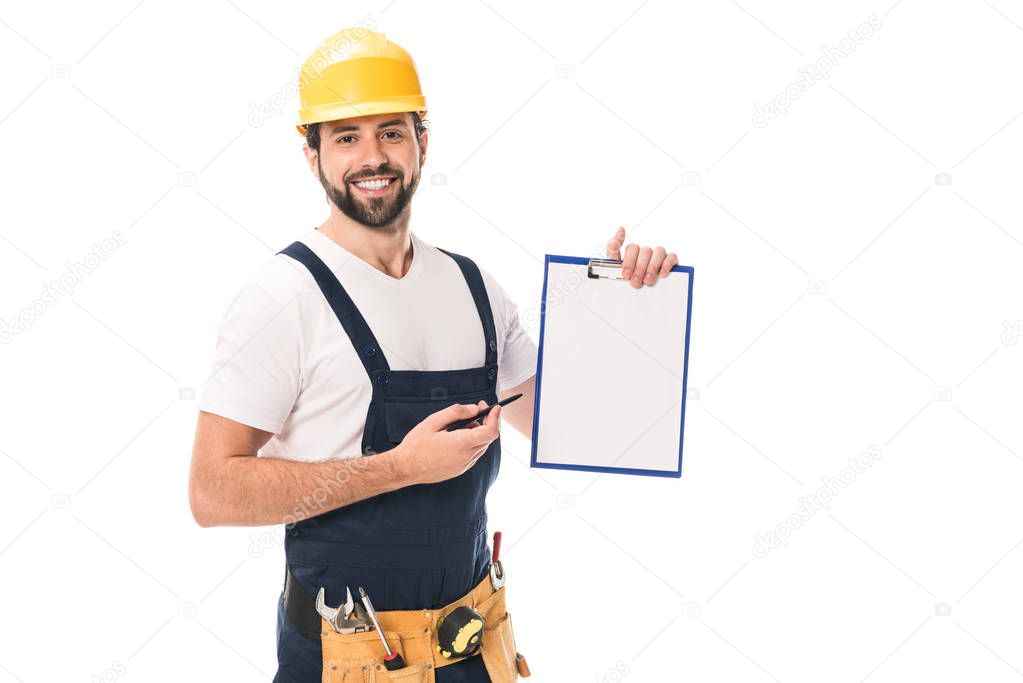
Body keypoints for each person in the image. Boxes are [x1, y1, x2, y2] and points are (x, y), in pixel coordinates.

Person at [188, 27, 678, 683]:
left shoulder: (473, 287)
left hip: (476, 652)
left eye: (391, 131)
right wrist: (397, 467)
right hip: (346, 660)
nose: (373, 155)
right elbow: (210, 492)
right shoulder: (280, 298)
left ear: (423, 141)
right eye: (346, 136)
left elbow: (584, 432)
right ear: (312, 155)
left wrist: (625, 305)